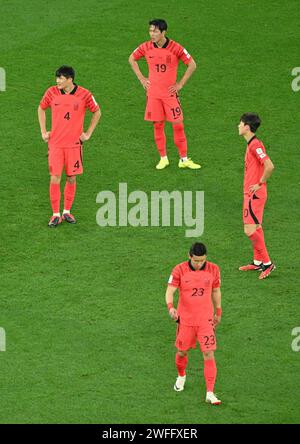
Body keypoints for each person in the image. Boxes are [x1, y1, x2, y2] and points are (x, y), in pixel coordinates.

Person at [129, 19, 201, 170]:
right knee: (158, 125)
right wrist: (142, 79)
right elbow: (132, 59)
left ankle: (183, 159)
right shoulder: (146, 47)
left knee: (178, 125)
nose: (152, 34)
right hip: (153, 95)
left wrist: (180, 84)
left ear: (163, 32)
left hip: (169, 95)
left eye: (155, 31)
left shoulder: (175, 48)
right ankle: (163, 158)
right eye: (150, 31)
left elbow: (192, 64)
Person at [38, 66, 101, 227]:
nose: (57, 81)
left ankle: (66, 211)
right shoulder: (51, 92)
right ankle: (55, 214)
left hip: (74, 146)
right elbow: (41, 108)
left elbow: (97, 111)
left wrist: (88, 134)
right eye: (57, 78)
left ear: (70, 79)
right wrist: (43, 131)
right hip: (56, 145)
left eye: (61, 78)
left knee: (71, 178)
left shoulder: (85, 94)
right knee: (55, 178)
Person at [165, 242, 222, 405]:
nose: (199, 264)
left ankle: (210, 392)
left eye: (202, 260)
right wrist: (171, 307)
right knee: (182, 352)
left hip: (205, 320)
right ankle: (181, 375)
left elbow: (216, 291)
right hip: (186, 321)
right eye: (196, 260)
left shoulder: (213, 269)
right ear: (189, 256)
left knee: (209, 353)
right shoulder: (179, 270)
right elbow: (170, 291)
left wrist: (218, 312)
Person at [238, 113, 275, 279]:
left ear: (247, 127)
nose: (238, 126)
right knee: (256, 227)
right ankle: (257, 262)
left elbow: (269, 166)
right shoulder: (251, 144)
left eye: (240, 124)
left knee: (249, 229)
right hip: (251, 194)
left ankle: (267, 263)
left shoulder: (255, 145)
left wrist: (260, 183)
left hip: (255, 194)